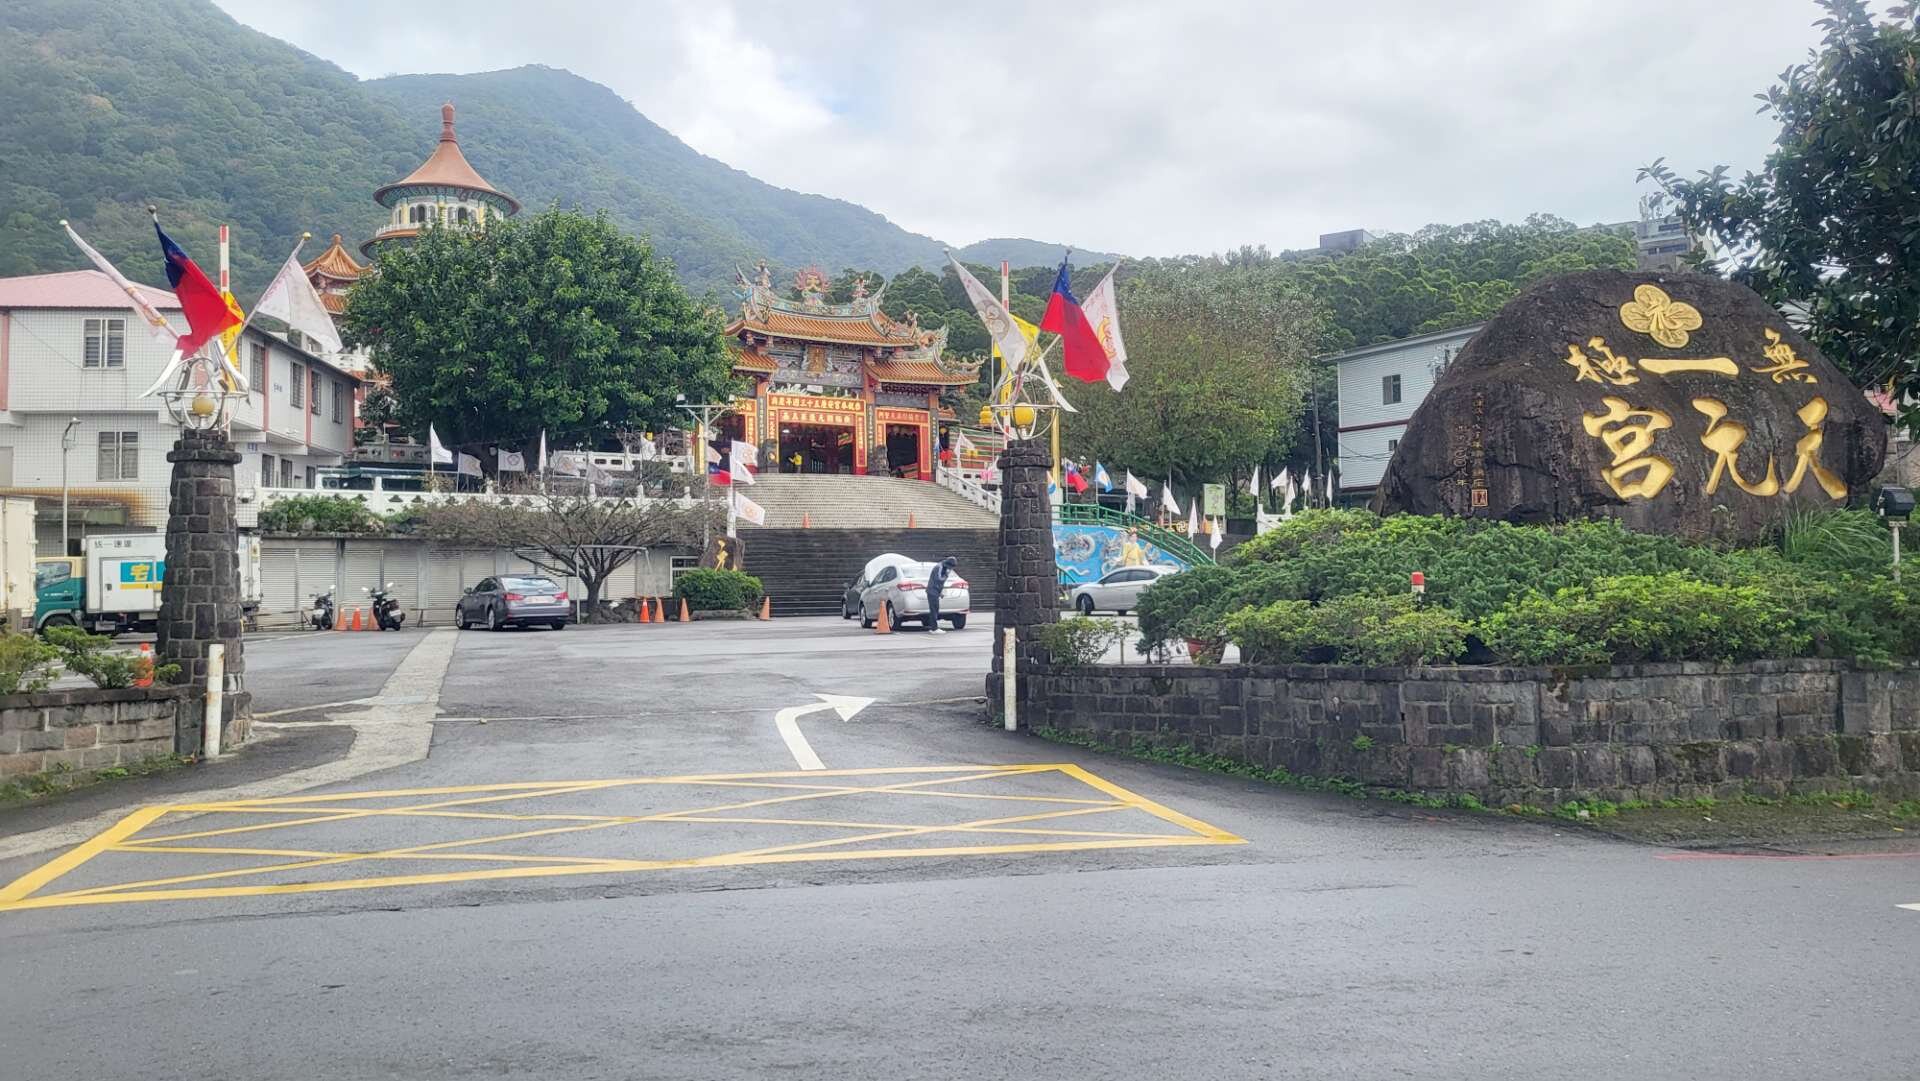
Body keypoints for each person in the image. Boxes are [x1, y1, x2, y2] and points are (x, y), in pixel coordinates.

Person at [926, 556, 956, 634]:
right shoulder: (939, 567)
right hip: (932, 591)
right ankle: (934, 628)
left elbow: (940, 583)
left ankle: (933, 627)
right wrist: (946, 575)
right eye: (950, 567)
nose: (950, 569)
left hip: (935, 591)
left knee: (935, 609)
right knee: (934, 610)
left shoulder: (943, 567)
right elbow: (939, 579)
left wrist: (940, 592)